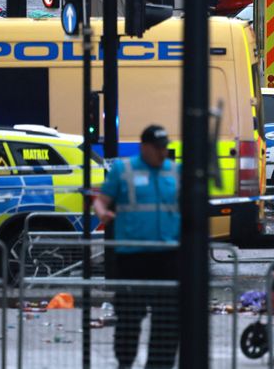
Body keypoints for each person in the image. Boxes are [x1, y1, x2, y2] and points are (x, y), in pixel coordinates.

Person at [94, 125, 180, 369]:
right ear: (144, 147)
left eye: (165, 148)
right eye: (157, 149)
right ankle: (125, 363)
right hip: (132, 257)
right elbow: (101, 201)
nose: (162, 153)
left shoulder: (174, 171)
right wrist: (104, 214)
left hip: (167, 257)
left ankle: (158, 366)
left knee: (167, 319)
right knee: (130, 317)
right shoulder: (124, 170)